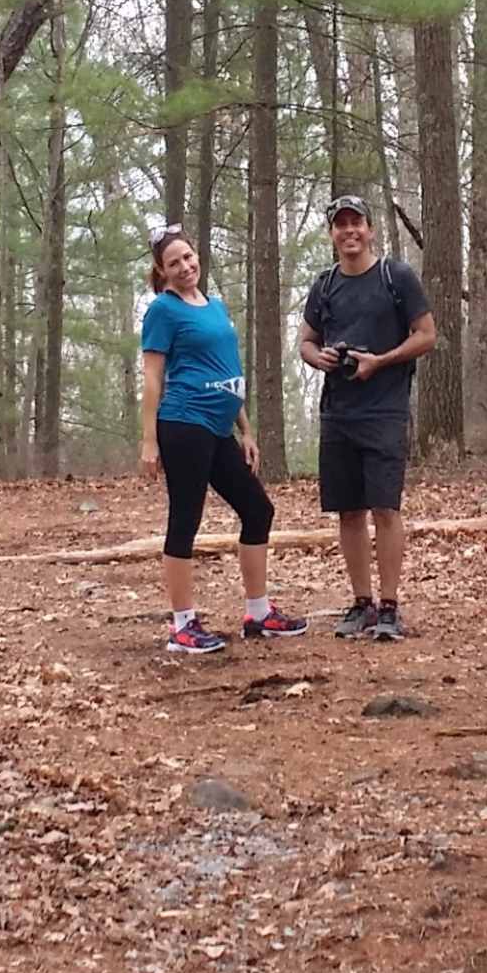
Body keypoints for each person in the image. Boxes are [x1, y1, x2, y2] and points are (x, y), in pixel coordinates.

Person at [138, 226, 304, 656]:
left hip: (219, 427)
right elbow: (154, 377)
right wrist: (149, 440)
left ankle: (258, 613)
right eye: (173, 263)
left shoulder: (215, 306)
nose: (185, 267)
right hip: (183, 426)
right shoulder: (163, 310)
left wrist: (245, 428)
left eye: (188, 257)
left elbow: (228, 369)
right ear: (162, 270)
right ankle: (183, 626)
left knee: (258, 509)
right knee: (185, 520)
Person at [296, 193, 437, 641]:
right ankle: (361, 603)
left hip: (384, 410)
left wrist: (381, 359)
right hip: (338, 412)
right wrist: (317, 357)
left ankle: (390, 606)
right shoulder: (325, 284)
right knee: (348, 511)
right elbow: (305, 340)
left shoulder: (395, 277)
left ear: (370, 229)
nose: (350, 231)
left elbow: (427, 335)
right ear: (332, 234)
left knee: (385, 508)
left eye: (357, 223)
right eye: (341, 225)